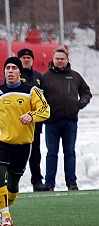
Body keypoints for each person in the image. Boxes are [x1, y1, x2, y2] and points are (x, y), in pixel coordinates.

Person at [0, 57, 49, 226]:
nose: (10, 71)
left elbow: (45, 110)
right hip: (2, 143)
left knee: (13, 185)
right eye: (7, 68)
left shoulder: (32, 91)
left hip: (23, 145)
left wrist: (31, 116)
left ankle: (2, 211)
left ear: (20, 72)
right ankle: (6, 216)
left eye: (14, 68)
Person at [40, 47, 92, 191]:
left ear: (67, 60)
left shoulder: (75, 76)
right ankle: (49, 183)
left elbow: (86, 93)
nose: (60, 61)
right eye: (57, 59)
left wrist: (79, 104)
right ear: (53, 60)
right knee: (51, 153)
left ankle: (71, 183)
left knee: (69, 152)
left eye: (62, 59)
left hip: (70, 121)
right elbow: (37, 96)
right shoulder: (45, 77)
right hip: (51, 122)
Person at [17, 48, 48, 191]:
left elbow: (45, 98)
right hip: (18, 123)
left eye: (29, 58)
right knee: (16, 153)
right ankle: (12, 180)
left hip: (34, 123)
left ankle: (37, 180)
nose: (26, 60)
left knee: (35, 153)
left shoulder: (38, 76)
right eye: (23, 57)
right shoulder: (14, 76)